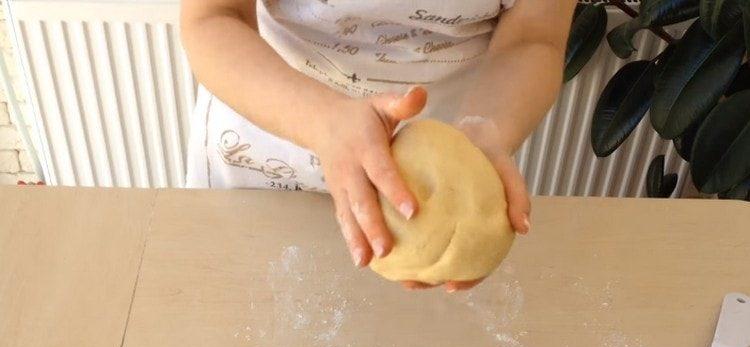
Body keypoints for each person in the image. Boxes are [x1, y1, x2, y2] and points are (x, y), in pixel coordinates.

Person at [181, 0, 576, 291]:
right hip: (266, 155)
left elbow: (532, 36)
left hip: (425, 181)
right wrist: (323, 120)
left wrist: (489, 126)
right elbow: (213, 17)